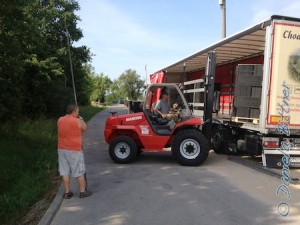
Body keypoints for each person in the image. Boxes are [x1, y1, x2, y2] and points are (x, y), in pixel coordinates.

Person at [57, 104, 92, 199]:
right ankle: (82, 192)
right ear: (73, 112)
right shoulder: (77, 121)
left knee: (65, 171)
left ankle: (67, 192)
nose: (78, 113)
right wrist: (81, 118)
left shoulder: (60, 120)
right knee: (79, 171)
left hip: (61, 149)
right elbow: (84, 128)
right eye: (77, 112)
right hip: (74, 150)